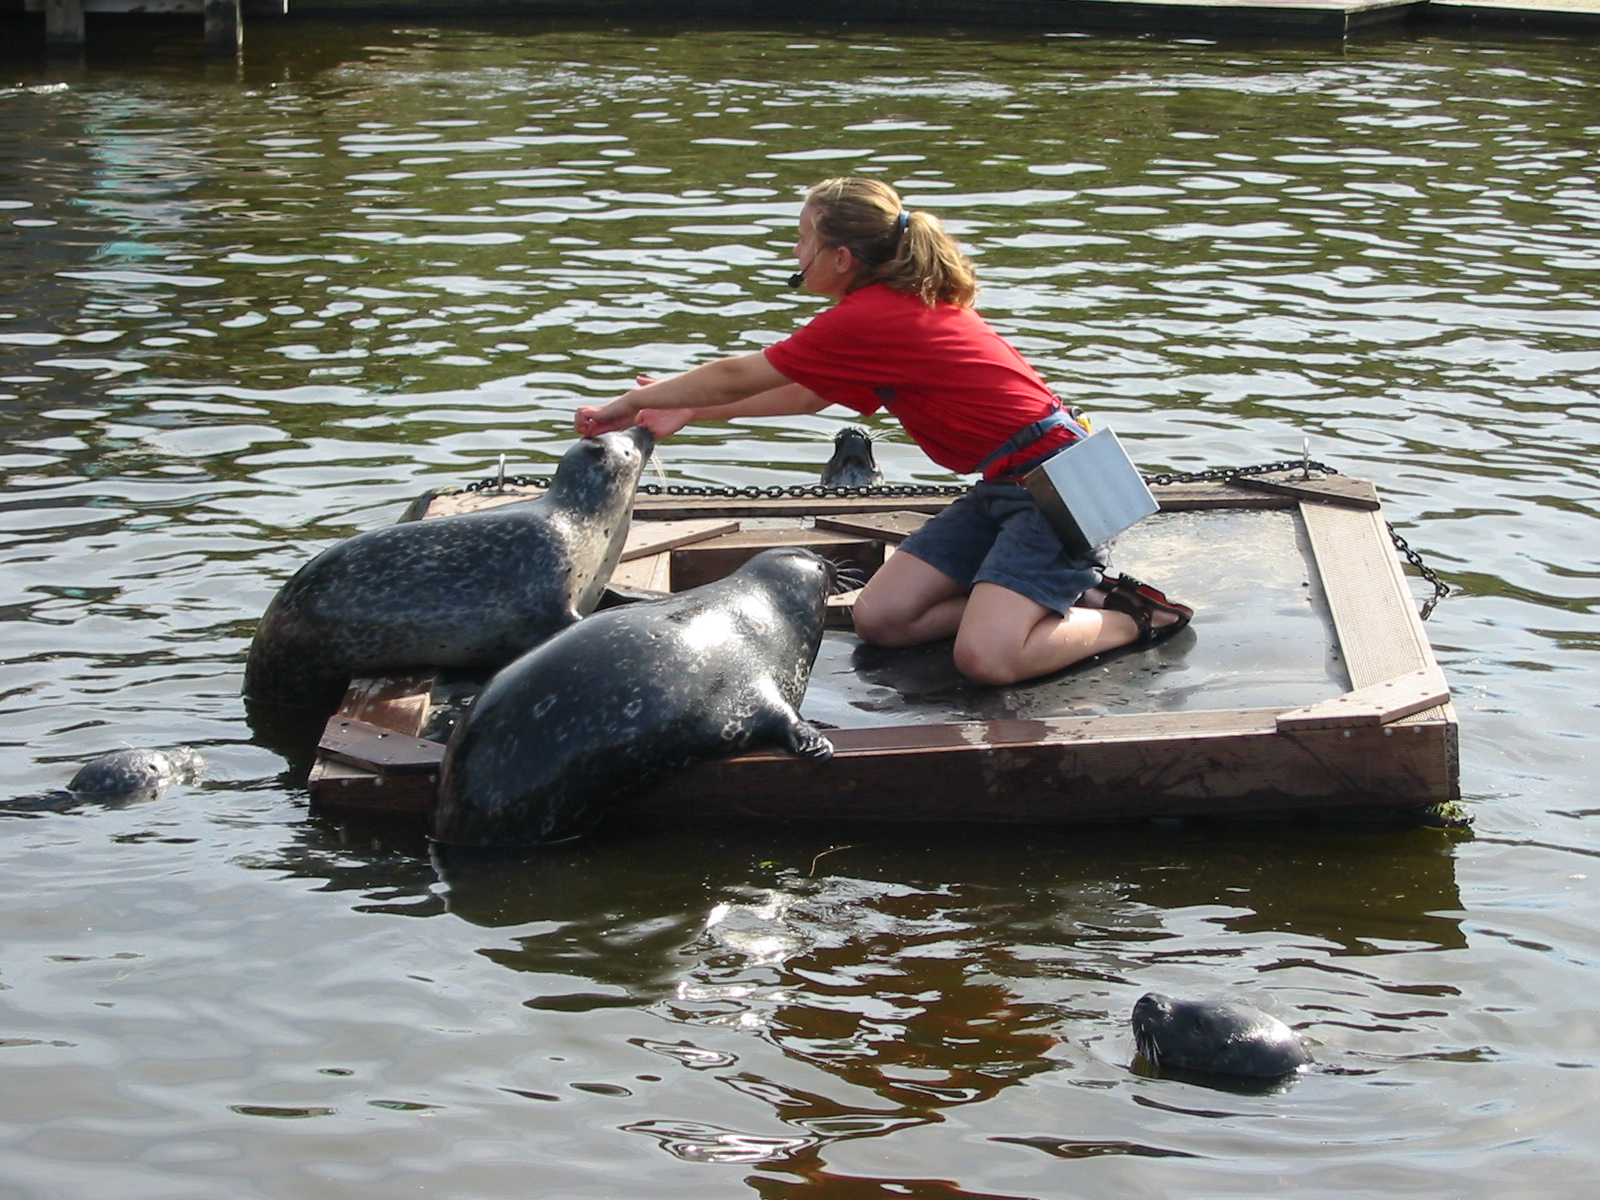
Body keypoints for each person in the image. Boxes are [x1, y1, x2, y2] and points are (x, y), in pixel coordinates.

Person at [574, 177, 1191, 685]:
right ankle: (1039, 603)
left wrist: (631, 401)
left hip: (1060, 489)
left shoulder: (874, 316)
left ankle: (1133, 615)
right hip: (1008, 486)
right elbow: (809, 393)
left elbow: (739, 374)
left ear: (842, 257)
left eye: (802, 239)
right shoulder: (886, 311)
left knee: (987, 660)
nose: (795, 252)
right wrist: (689, 411)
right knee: (882, 619)